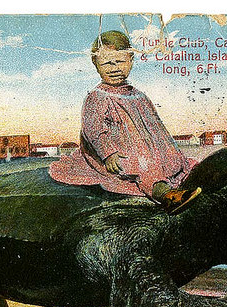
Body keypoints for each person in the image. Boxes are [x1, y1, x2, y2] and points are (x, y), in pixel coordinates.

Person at [49, 30, 201, 214]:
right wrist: (108, 153)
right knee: (143, 167)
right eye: (106, 63)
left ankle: (187, 179)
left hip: (148, 147)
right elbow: (93, 130)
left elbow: (155, 123)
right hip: (117, 151)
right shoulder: (97, 97)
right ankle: (165, 195)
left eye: (120, 61)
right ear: (96, 64)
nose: (114, 68)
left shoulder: (138, 95)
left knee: (174, 161)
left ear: (130, 60)